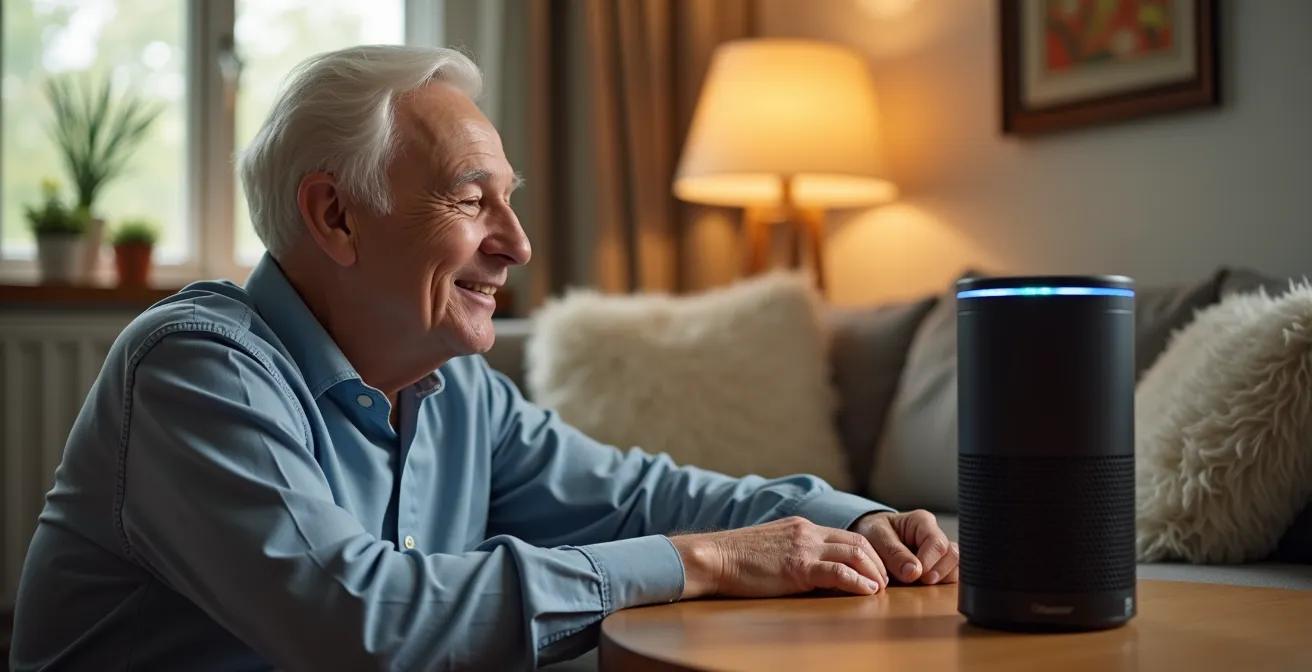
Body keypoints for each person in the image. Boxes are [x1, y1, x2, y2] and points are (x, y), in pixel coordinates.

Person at [8, 45, 958, 671]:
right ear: (334, 215)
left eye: (512, 201)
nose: (518, 244)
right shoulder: (195, 371)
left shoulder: (454, 392)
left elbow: (640, 495)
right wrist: (700, 562)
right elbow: (361, 623)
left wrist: (860, 517)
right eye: (473, 202)